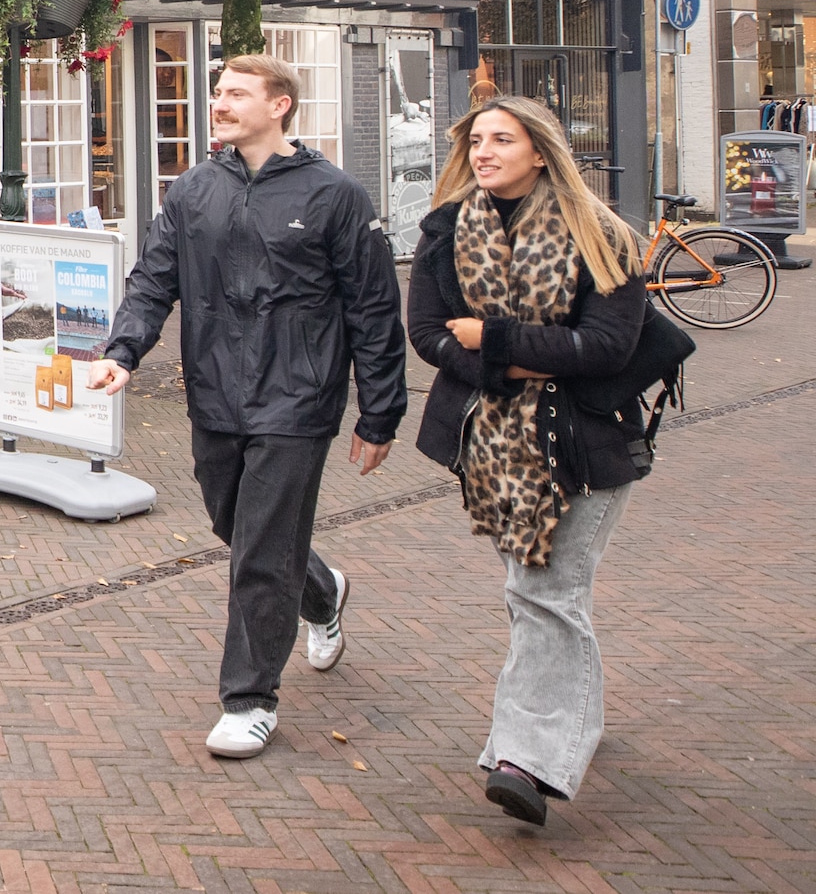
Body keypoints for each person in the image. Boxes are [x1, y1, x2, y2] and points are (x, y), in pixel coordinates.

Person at [88, 53, 406, 759]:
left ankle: (249, 697)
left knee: (260, 549)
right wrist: (122, 352)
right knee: (235, 522)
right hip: (216, 396)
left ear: (280, 104)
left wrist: (379, 412)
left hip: (298, 398)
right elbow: (152, 279)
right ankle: (321, 591)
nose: (219, 102)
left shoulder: (335, 196)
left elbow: (376, 310)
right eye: (217, 93)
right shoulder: (193, 190)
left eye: (236, 93)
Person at [405, 95, 646, 827]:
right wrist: (500, 364)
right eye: (476, 140)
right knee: (544, 593)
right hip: (495, 450)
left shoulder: (599, 234)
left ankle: (526, 759)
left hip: (582, 447)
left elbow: (605, 348)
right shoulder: (446, 230)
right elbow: (426, 333)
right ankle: (574, 722)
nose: (483, 151)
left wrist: (494, 341)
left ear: (540, 150)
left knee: (545, 594)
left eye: (501, 139)